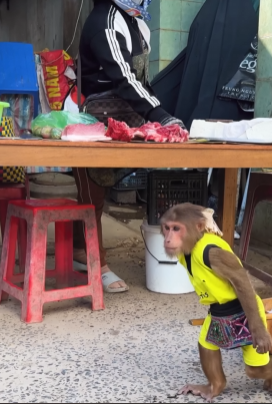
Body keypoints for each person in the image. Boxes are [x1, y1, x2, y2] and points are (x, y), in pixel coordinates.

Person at [71, 0, 185, 294]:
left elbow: (141, 82)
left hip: (130, 118)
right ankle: (94, 260)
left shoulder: (138, 23)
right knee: (93, 194)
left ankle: (82, 250)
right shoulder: (104, 22)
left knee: (104, 192)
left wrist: (158, 118)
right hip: (96, 118)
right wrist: (160, 115)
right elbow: (124, 78)